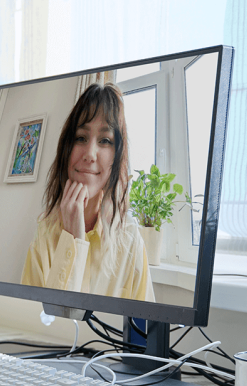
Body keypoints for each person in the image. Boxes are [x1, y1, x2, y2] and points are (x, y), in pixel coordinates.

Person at [21, 82, 155, 302]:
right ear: (67, 149)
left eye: (104, 140)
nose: (90, 154)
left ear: (116, 157)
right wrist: (73, 239)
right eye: (81, 138)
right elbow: (42, 325)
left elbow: (143, 329)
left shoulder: (130, 238)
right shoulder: (43, 236)